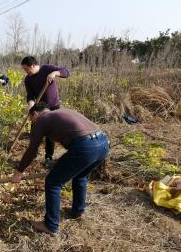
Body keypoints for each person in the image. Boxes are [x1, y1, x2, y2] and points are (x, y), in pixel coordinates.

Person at [11, 102, 110, 234]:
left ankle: (51, 225)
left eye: (31, 120)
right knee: (80, 176)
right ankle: (78, 211)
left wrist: (19, 171)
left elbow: (32, 151)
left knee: (53, 182)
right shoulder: (60, 112)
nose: (32, 123)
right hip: (103, 143)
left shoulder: (41, 120)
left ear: (35, 114)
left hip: (86, 147)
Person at [21, 56, 70, 168]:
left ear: (32, 66)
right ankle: (31, 156)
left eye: (26, 69)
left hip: (53, 107)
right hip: (39, 110)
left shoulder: (47, 69)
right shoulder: (28, 79)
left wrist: (55, 73)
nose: (26, 72)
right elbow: (30, 95)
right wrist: (31, 104)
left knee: (50, 134)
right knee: (34, 132)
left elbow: (66, 72)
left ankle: (48, 157)